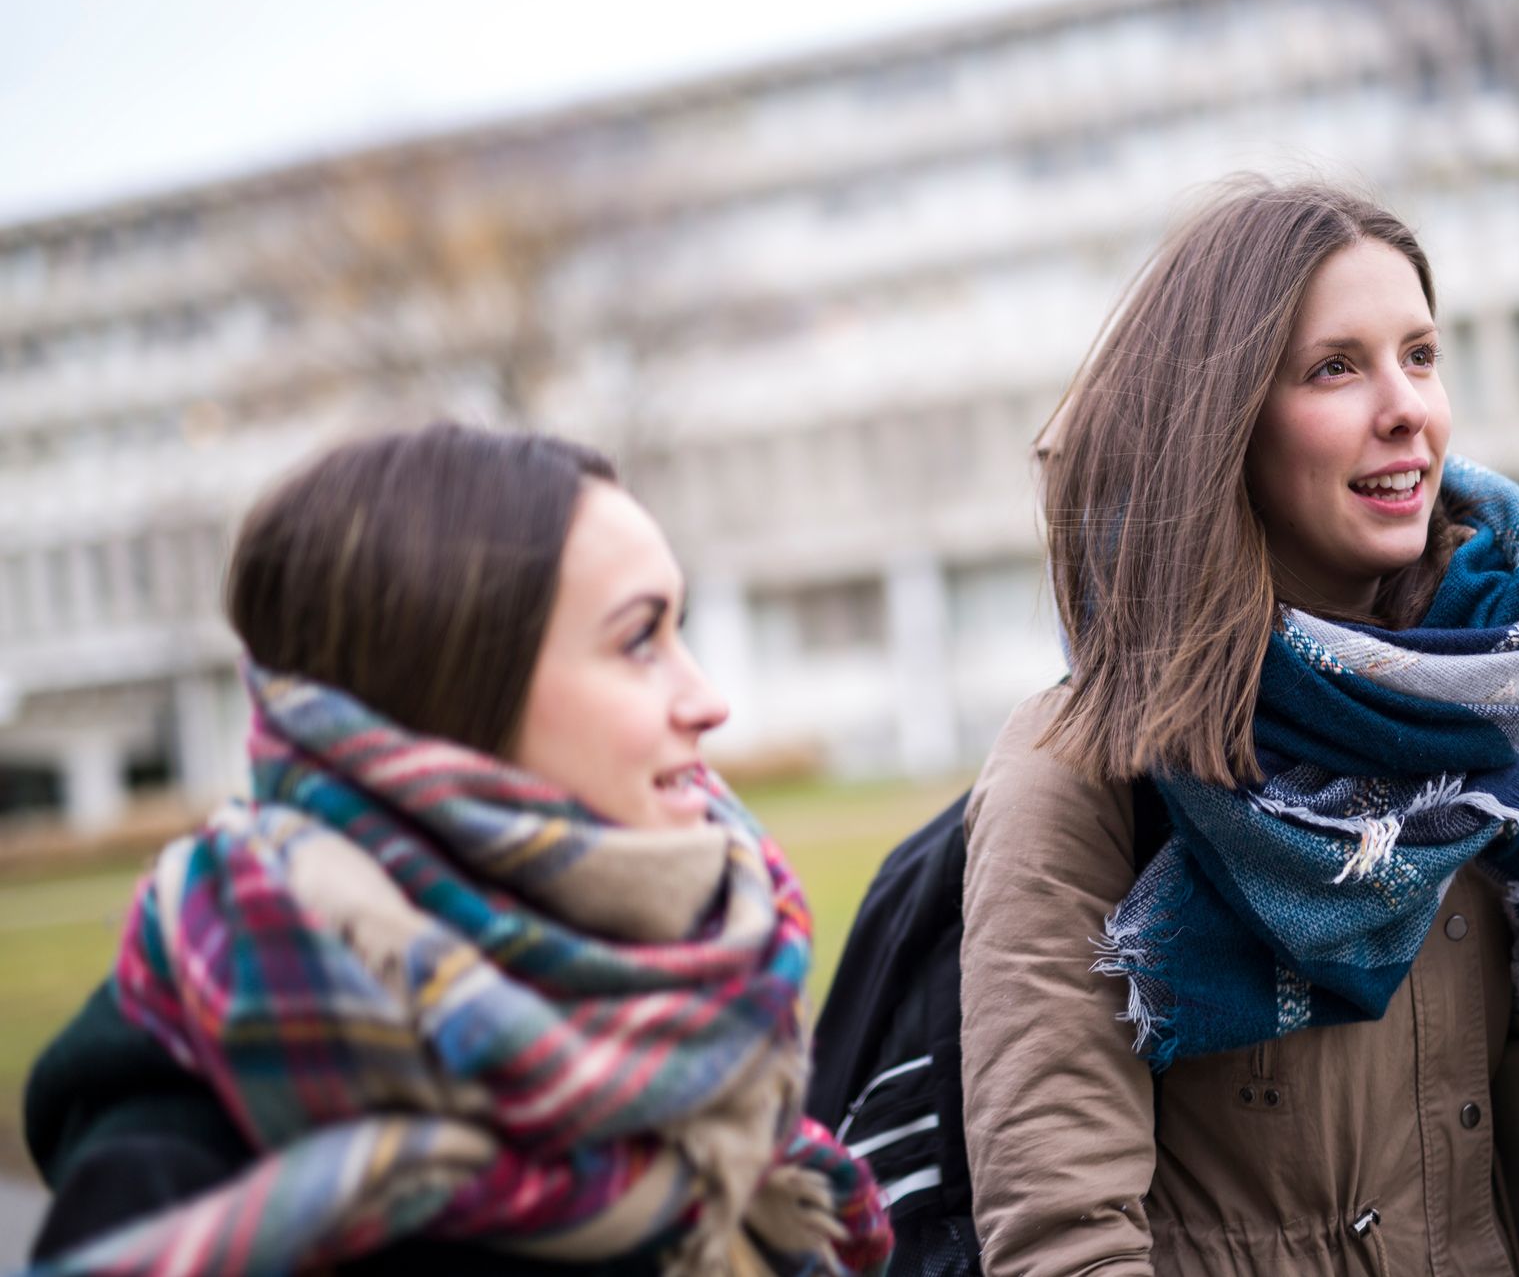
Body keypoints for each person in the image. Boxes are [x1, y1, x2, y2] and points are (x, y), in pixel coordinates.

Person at [959, 178, 1519, 1275]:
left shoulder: (1479, 716)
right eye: (1335, 367)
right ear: (1222, 425)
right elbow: (1063, 1240)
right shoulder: (1082, 767)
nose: (1406, 408)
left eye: (1420, 354)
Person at [24, 424, 893, 1276]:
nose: (707, 699)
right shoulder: (178, 1169)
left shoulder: (714, 1057)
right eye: (639, 640)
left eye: (680, 630)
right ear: (448, 699)